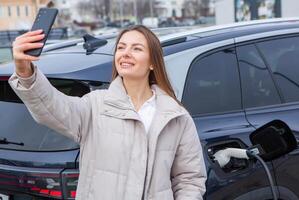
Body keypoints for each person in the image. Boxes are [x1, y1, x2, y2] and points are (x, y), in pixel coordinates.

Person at [9, 25, 207, 200]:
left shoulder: (175, 117)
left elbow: (190, 179)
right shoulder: (95, 105)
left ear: (152, 63)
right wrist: (25, 72)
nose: (125, 53)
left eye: (136, 48)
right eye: (121, 47)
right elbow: (50, 106)